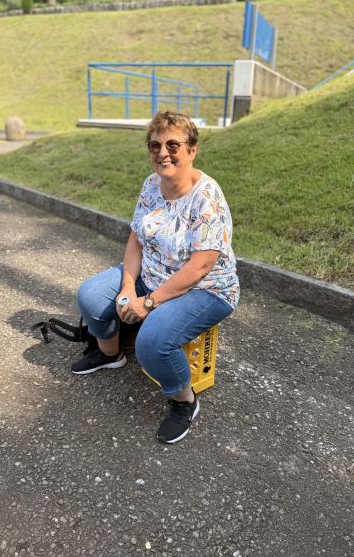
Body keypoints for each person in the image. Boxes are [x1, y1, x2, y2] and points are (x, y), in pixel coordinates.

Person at [72, 110, 239, 444]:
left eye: (173, 145)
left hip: (206, 289)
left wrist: (147, 303)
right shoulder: (151, 185)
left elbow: (200, 266)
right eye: (155, 145)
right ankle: (111, 354)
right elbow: (136, 238)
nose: (163, 153)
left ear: (192, 150)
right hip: (152, 275)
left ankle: (185, 401)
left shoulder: (207, 198)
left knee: (152, 342)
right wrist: (127, 287)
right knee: (90, 296)